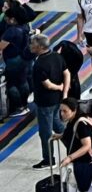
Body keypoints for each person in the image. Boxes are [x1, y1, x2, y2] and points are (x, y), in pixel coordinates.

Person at [30, 33, 69, 169]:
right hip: (57, 100)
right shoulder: (57, 56)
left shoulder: (39, 64)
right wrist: (64, 92)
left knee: (45, 132)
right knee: (58, 125)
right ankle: (75, 143)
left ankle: (48, 160)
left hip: (45, 101)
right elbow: (67, 73)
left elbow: (47, 84)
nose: (30, 46)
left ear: (40, 47)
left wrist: (58, 87)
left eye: (33, 44)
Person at [58, 98, 92, 191]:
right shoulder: (72, 120)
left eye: (65, 111)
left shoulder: (81, 124)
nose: (62, 114)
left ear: (74, 110)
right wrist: (60, 136)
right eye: (61, 111)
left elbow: (87, 145)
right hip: (78, 162)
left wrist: (70, 158)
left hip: (84, 164)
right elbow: (73, 134)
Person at [0, 9, 31, 117]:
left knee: (12, 84)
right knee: (23, 81)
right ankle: (25, 104)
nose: (5, 20)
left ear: (13, 19)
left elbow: (1, 46)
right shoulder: (25, 26)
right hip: (24, 58)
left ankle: (19, 106)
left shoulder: (11, 31)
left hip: (13, 60)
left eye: (7, 18)